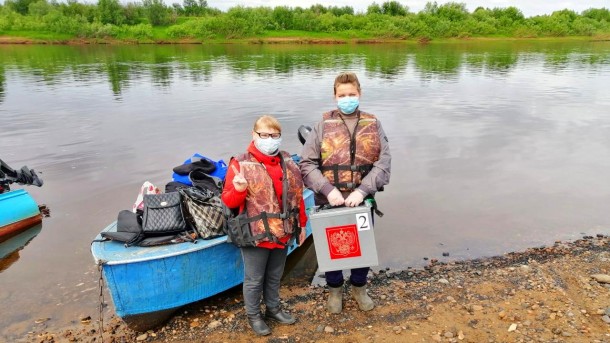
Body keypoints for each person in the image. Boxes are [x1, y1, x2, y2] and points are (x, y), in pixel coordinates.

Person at [299, 72, 391, 314]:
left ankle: (359, 287)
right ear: (335, 96)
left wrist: (362, 191)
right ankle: (335, 289)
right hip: (330, 200)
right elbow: (307, 164)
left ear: (359, 94)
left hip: (361, 200)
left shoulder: (373, 123)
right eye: (342, 95)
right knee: (333, 247)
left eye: (352, 94)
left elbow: (384, 162)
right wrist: (328, 191)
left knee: (362, 244)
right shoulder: (322, 125)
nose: (347, 98)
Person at [222, 115, 308, 336]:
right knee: (254, 279)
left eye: (274, 135)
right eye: (265, 135)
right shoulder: (240, 164)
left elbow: (297, 199)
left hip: (283, 231)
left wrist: (302, 226)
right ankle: (253, 315)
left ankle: (273, 308)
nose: (270, 139)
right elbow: (229, 201)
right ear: (254, 135)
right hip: (256, 234)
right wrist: (239, 189)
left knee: (274, 274)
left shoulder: (287, 161)